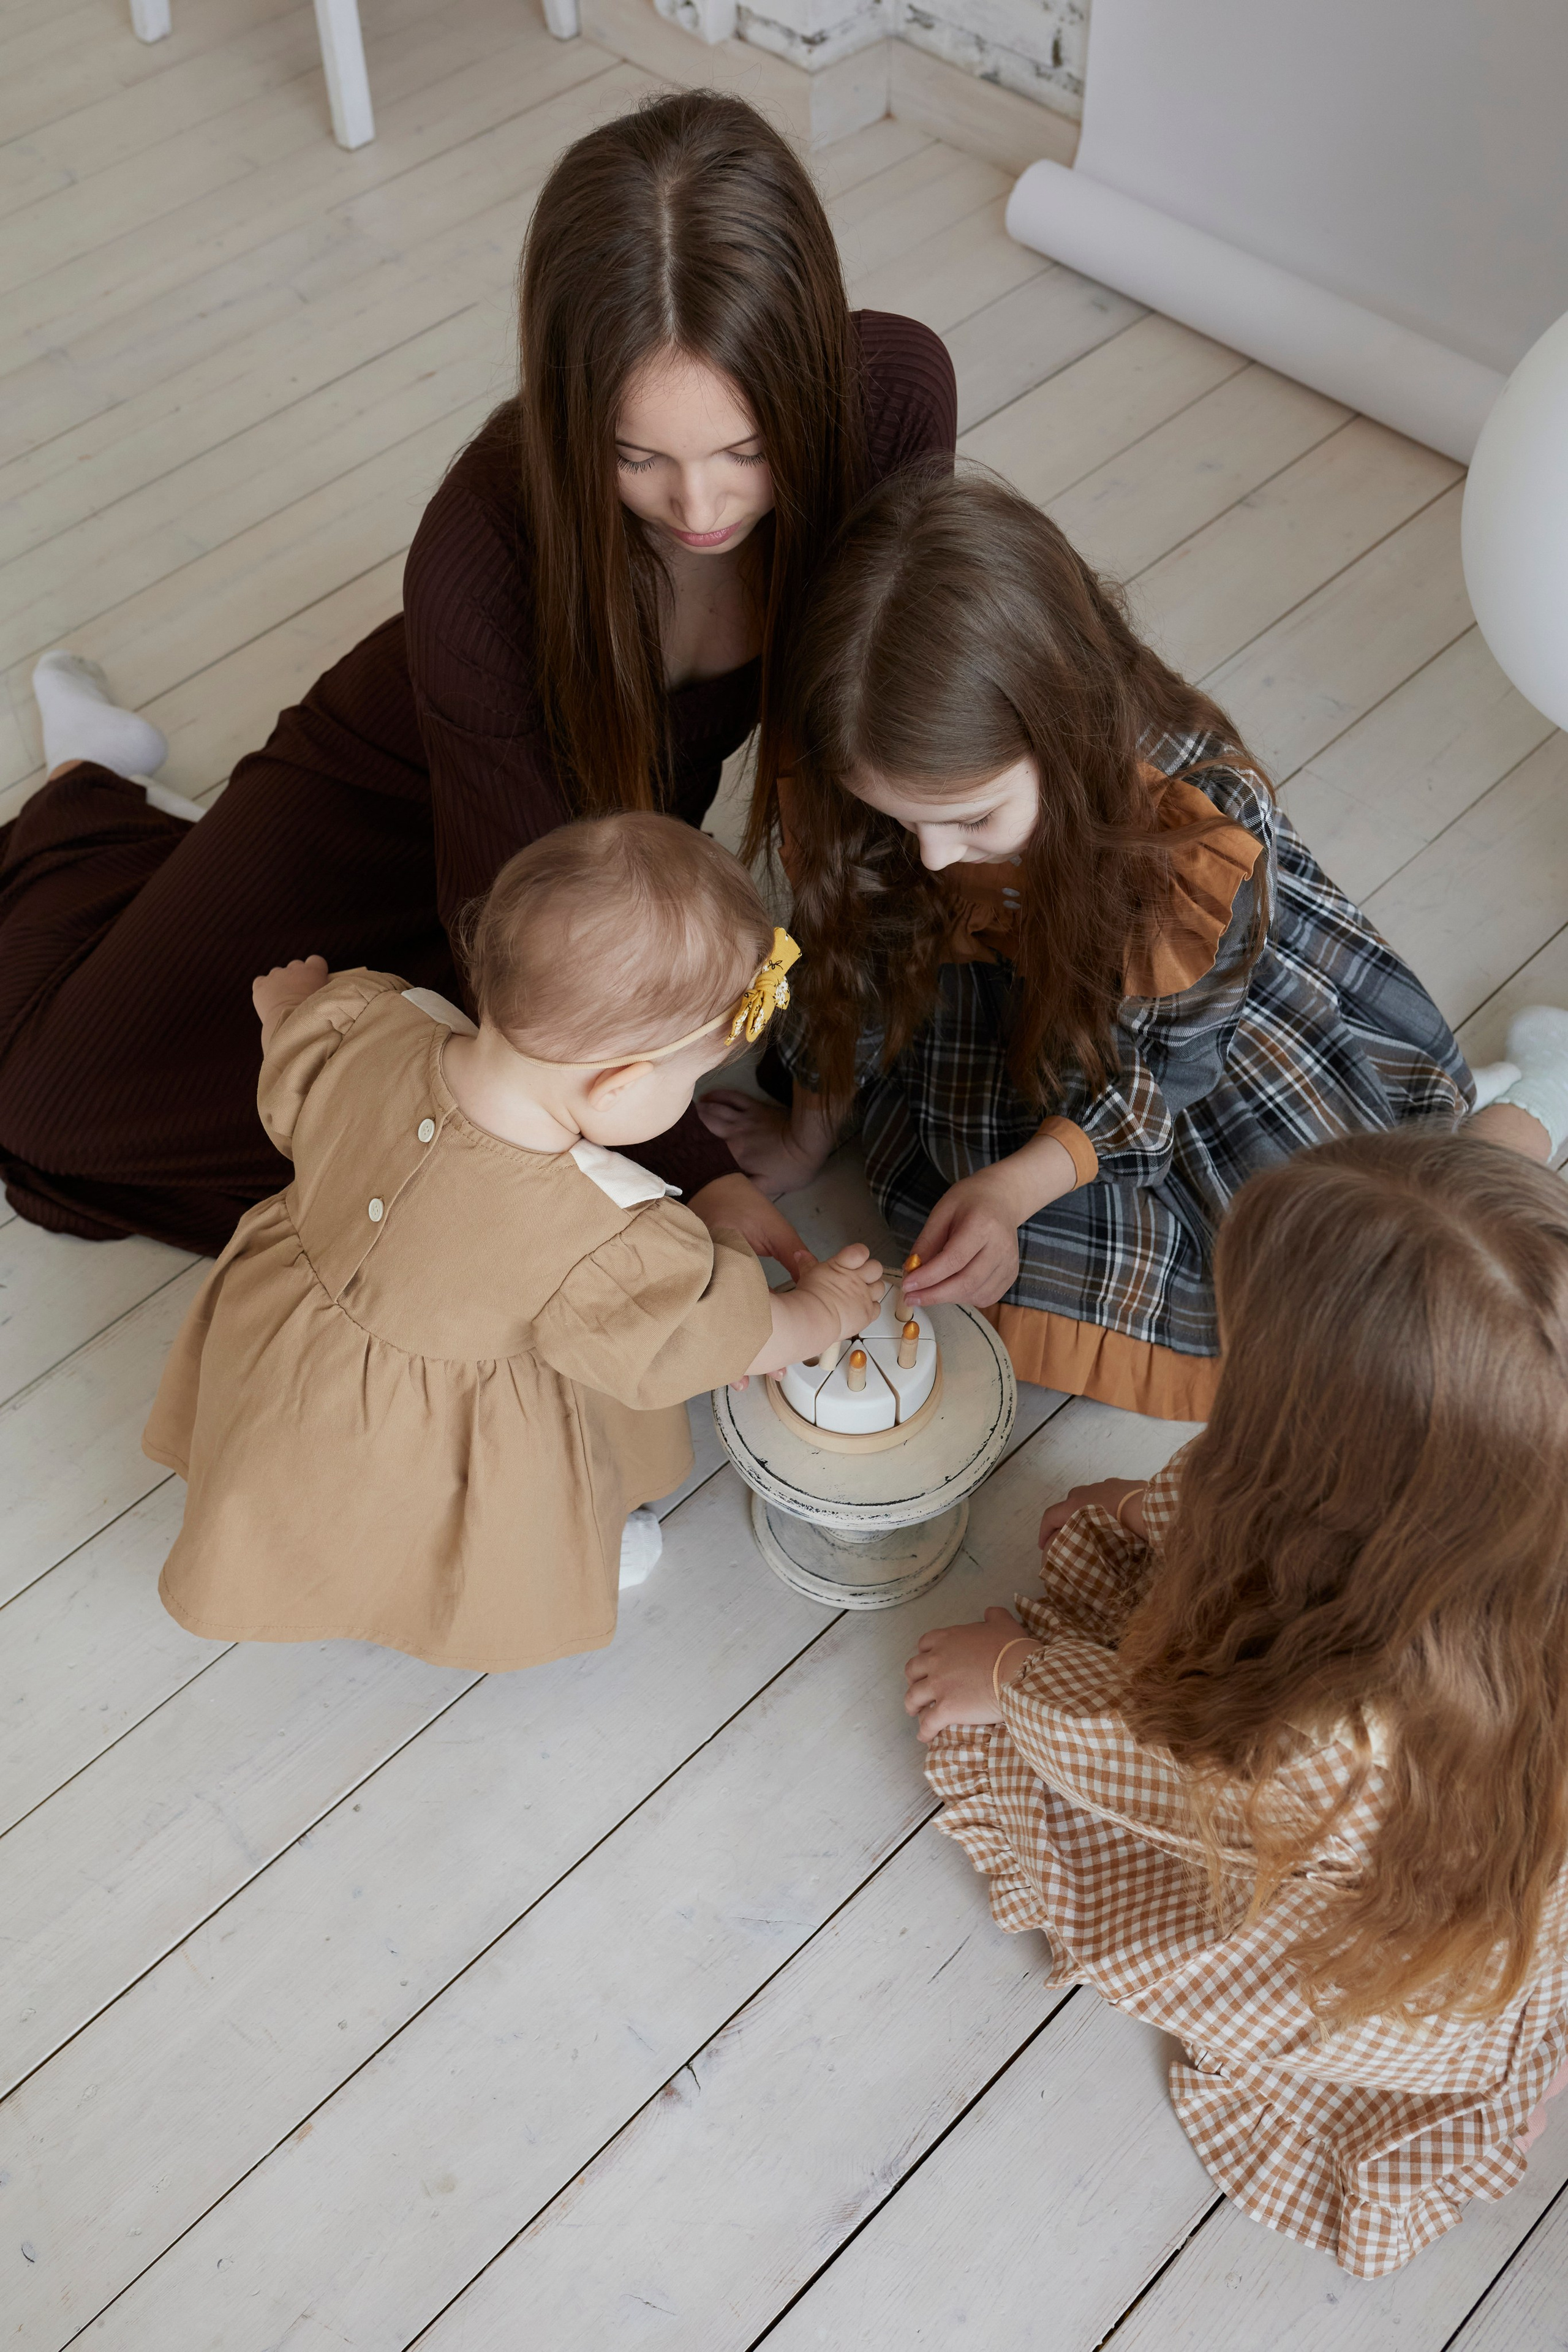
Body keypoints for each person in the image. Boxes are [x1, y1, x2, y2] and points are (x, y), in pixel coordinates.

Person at [0, 90, 955, 1260]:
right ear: (569, 417)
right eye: (636, 457)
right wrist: (696, 1180)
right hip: (404, 801)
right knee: (55, 1115)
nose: (702, 509)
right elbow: (501, 920)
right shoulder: (480, 545)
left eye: (748, 451)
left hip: (595, 865)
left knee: (453, 1181)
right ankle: (92, 798)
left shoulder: (894, 397)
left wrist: (814, 1106)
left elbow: (868, 771)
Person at [703, 466, 1566, 1419]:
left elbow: (1166, 1073)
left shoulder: (1189, 827)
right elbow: (847, 963)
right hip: (1004, 1026)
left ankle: (1535, 1103)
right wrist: (807, 1133)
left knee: (1347, 1269)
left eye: (972, 820)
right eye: (901, 821)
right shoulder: (877, 777)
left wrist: (1017, 1187)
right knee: (989, 1260)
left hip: (1193, 1054)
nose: (935, 857)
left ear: (1063, 732)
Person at [904, 1128, 1568, 2277]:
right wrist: (1149, 1509)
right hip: (1472, 1837)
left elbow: (1163, 1760)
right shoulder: (1503, 1530)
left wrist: (1008, 1677)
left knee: (1063, 1746)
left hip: (1354, 1927)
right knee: (1119, 1542)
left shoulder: (1331, 1728)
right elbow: (1257, 1517)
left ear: (1325, 1451)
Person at [145, 814, 883, 1673]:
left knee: (322, 1487)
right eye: (691, 1081)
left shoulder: (374, 1023)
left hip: (292, 1353)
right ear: (619, 1087)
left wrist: (290, 1008)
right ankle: (534, 1560)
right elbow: (711, 1337)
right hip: (446, 1413)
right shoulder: (602, 1234)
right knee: (467, 1494)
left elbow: (295, 1080)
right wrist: (820, 1310)